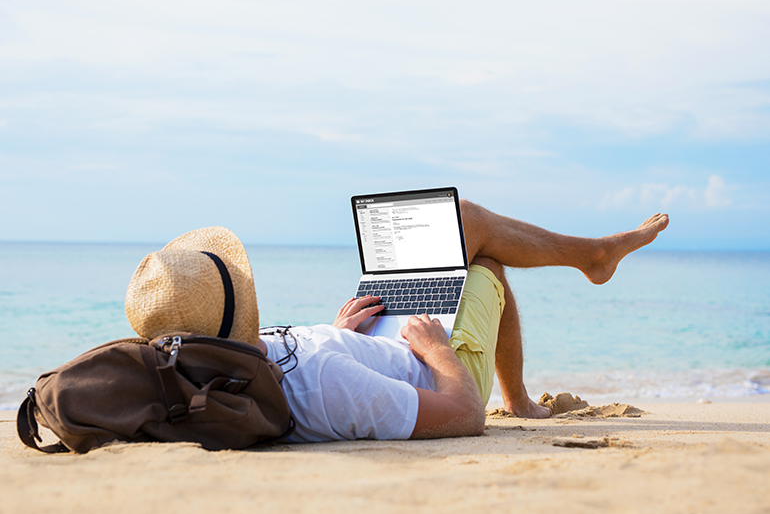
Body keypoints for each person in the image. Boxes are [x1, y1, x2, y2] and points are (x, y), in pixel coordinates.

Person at [125, 201, 669, 442]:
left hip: (366, 341)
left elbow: (301, 363)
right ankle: (590, 262)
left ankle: (592, 257)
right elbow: (461, 417)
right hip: (440, 370)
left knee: (466, 232)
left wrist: (335, 331)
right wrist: (436, 351)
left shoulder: (224, 364)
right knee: (483, 256)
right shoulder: (327, 385)